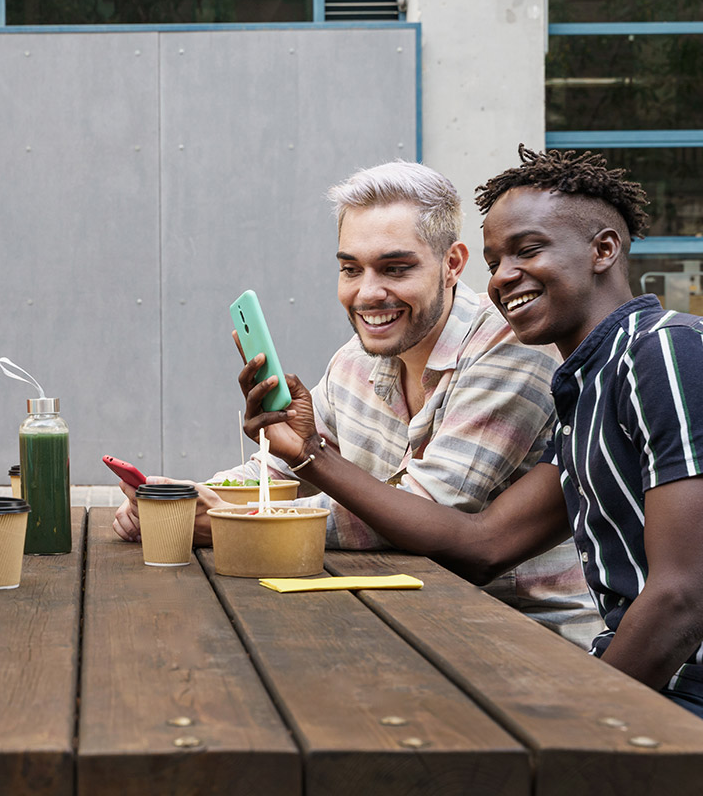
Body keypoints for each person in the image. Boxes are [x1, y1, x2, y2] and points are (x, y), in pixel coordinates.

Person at [239, 145, 703, 719]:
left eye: (528, 251)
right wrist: (309, 455)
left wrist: (587, 724)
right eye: (497, 260)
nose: (505, 278)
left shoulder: (661, 347)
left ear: (603, 250)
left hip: (674, 692)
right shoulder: (583, 389)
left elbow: (683, 597)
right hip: (629, 679)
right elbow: (483, 547)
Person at [113, 161, 601, 646]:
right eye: (350, 269)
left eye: (395, 268)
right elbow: (284, 471)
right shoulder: (356, 358)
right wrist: (183, 499)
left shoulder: (512, 352)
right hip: (401, 618)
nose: (367, 294)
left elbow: (426, 508)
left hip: (520, 635)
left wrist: (237, 527)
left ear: (452, 264)